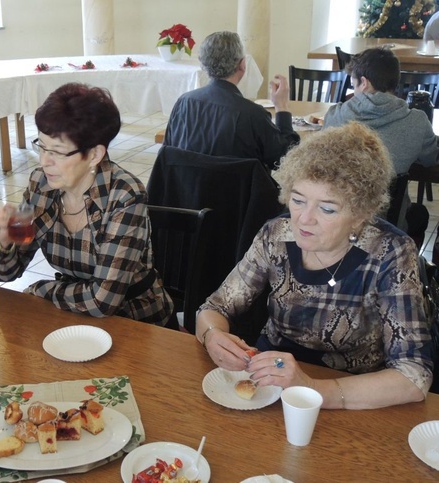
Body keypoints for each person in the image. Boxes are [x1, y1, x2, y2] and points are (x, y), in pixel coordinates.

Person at [195, 122, 434, 409]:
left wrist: (312, 389)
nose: (304, 219)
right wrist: (212, 335)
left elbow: (414, 375)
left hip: (352, 394)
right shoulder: (277, 235)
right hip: (268, 385)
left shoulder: (390, 253)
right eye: (297, 200)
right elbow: (214, 307)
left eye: (327, 208)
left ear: (361, 214)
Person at [0, 83, 174, 326]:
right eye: (42, 147)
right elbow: (6, 272)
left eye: (57, 152)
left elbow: (103, 301)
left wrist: (43, 289)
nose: (44, 162)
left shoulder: (125, 197)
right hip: (73, 312)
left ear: (94, 155)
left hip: (135, 321)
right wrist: (4, 240)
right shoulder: (40, 185)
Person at [163, 31, 299, 171]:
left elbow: (168, 152)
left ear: (203, 64)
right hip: (239, 192)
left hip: (188, 190)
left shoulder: (184, 102)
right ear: (243, 65)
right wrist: (282, 107)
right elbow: (286, 159)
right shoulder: (253, 114)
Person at [323, 47, 438, 177]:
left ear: (364, 83)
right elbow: (430, 160)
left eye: (354, 85)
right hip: (391, 197)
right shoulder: (418, 121)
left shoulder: (335, 115)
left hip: (344, 196)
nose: (354, 92)